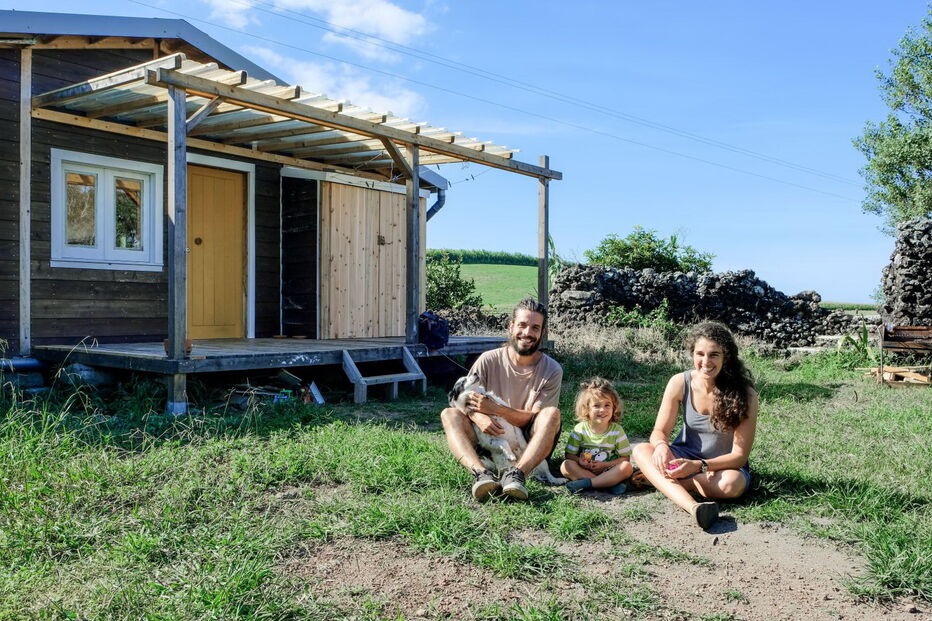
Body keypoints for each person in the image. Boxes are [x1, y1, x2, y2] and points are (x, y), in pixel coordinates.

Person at [632, 321, 758, 529]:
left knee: (731, 485)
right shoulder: (679, 382)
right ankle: (694, 507)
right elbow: (659, 431)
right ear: (692, 354)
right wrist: (662, 447)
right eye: (700, 354)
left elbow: (739, 456)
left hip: (721, 467)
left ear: (726, 357)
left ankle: (668, 482)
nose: (705, 361)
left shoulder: (746, 395)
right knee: (641, 449)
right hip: (682, 456)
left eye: (714, 354)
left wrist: (699, 466)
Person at [440, 297, 563, 502]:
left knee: (551, 414)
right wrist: (477, 416)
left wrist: (496, 409)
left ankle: (518, 475)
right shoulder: (488, 360)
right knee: (449, 414)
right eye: (522, 325)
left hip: (528, 441)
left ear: (542, 333)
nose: (527, 333)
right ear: (511, 326)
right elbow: (462, 400)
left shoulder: (551, 370)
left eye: (535, 328)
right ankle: (481, 474)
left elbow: (532, 419)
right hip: (488, 438)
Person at [560, 377, 633, 495]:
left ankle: (588, 484)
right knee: (566, 465)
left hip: (609, 470)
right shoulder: (580, 429)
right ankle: (609, 484)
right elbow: (569, 455)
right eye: (597, 405)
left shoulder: (617, 431)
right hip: (585, 469)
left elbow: (625, 458)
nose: (602, 410)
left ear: (614, 407)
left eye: (607, 405)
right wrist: (580, 461)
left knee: (627, 467)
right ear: (586, 409)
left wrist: (605, 465)